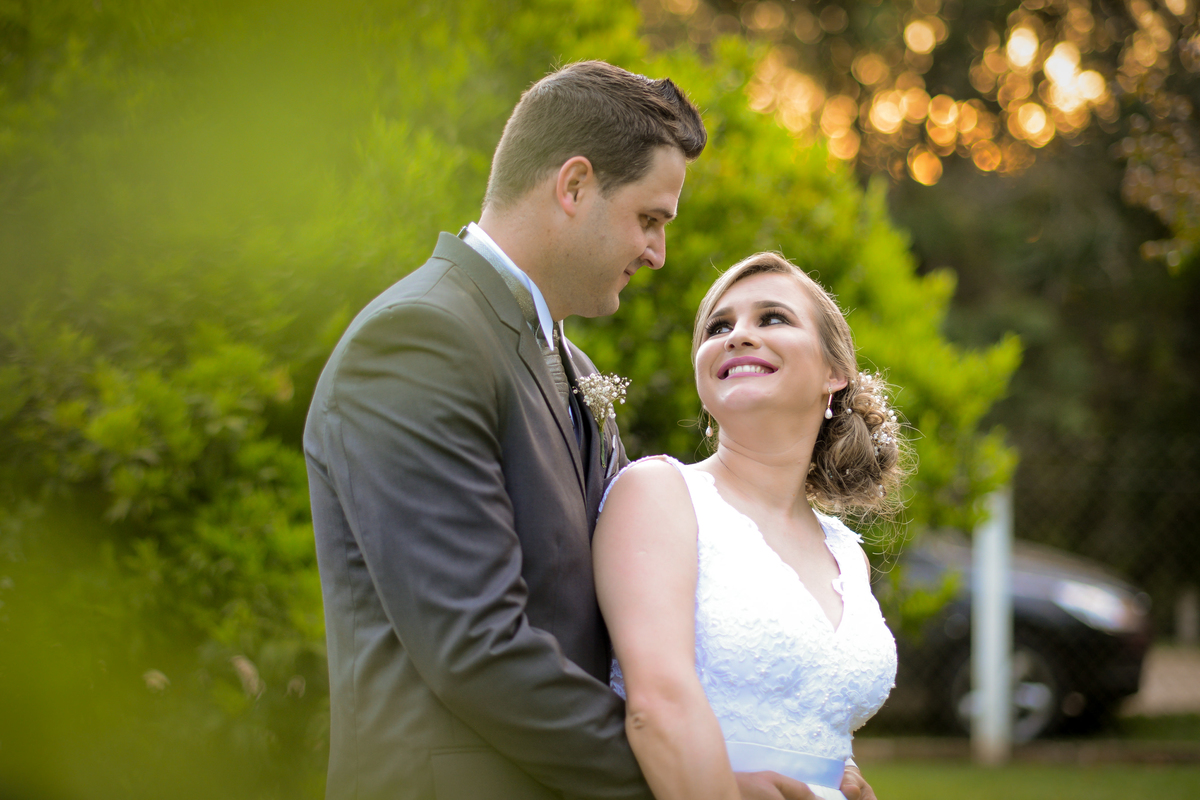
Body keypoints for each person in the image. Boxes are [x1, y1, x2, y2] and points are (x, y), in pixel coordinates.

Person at [303, 61, 706, 800]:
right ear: (574, 185)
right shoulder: (418, 341)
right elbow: (476, 648)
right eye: (650, 219)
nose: (658, 253)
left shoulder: (571, 361)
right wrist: (685, 785)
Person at [593, 252, 905, 800]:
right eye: (719, 326)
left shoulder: (843, 551)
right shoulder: (660, 495)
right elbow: (656, 707)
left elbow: (810, 708)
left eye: (772, 318)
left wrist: (839, 774)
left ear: (834, 373)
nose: (738, 335)